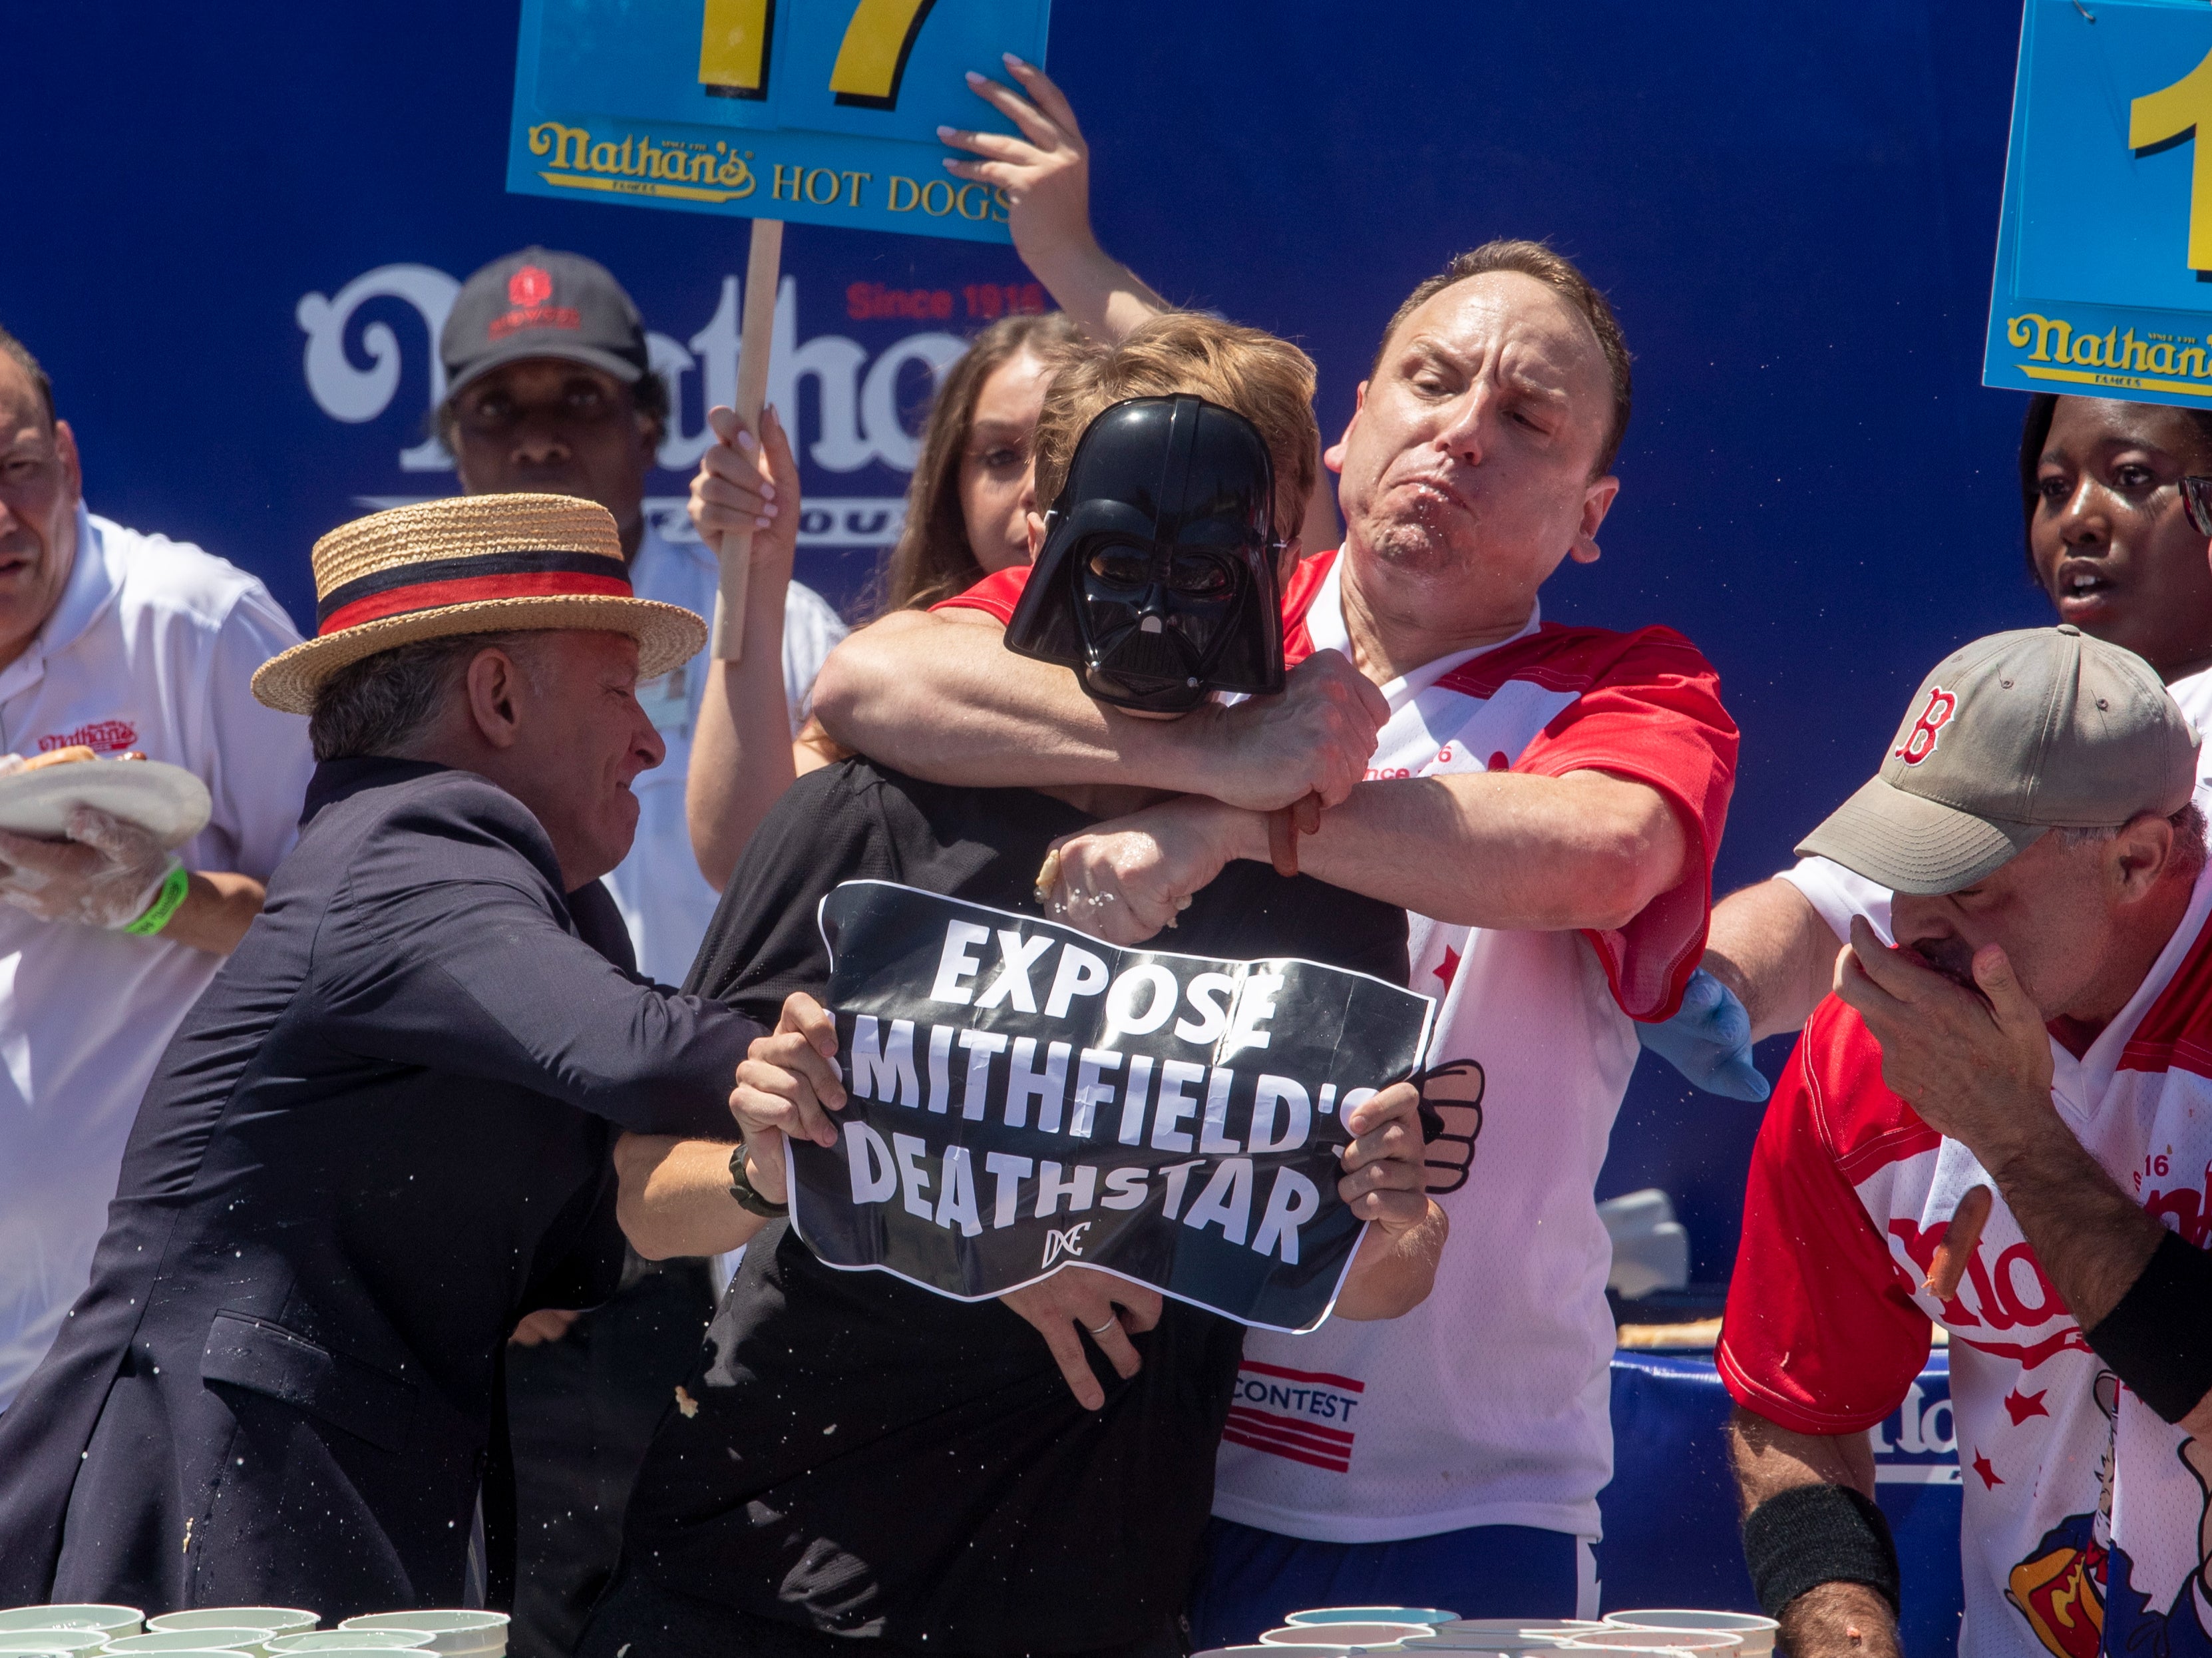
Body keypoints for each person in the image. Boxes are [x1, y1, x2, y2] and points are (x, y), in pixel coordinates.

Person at [809, 234, 1740, 1628]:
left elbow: (1604, 854)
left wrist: (1241, 825)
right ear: (1353, 423)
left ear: (1592, 513)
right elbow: (871, 678)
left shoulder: (1628, 685)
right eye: (1430, 383)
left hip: (1463, 1493)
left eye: (1526, 419)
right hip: (1136, 1444)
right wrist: (1226, 748)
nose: (1460, 433)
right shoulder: (1195, 604)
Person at [577, 317, 1449, 1658]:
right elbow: (647, 1194)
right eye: (1120, 550)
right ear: (1038, 536)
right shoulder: (871, 813)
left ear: (1280, 558)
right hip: (764, 1573)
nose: (1161, 597)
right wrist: (787, 1168)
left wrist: (1399, 1213)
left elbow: (1372, 1280)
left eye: (1208, 555)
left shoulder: (1313, 879)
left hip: (1089, 1593)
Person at [0, 494, 761, 1617]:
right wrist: (927, 1077)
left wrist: (772, 1171)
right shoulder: (409, 846)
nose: (651, 740)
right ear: (496, 696)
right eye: (620, 694)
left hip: (322, 1482)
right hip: (208, 1488)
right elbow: (650, 1054)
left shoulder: (518, 896)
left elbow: (608, 1216)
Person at [434, 247, 846, 1654]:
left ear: (656, 424)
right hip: (509, 1266)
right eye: (501, 408)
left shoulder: (771, 621)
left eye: (581, 401)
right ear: (446, 441)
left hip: (728, 1215)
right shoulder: (406, 652)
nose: (541, 433)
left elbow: (843, 912)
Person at [1718, 625, 2212, 1658]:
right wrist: (1844, 1633)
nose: (1916, 922)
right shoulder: (1866, 1051)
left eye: (1972, 878)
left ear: (2138, 858)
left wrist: (2012, 1132)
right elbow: (1798, 1410)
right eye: (1901, 867)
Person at [1693, 393, 2212, 1068]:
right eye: (2052, 489)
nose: (2078, 518)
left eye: (2133, 476)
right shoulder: (2015, 709)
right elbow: (1830, 913)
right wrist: (1711, 986)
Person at [0, 323, 313, 1414]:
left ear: (70, 460)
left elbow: (362, 935)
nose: (0, 519)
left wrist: (159, 898)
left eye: (18, 472)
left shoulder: (197, 623)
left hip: (160, 1352)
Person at [684, 308, 1081, 863]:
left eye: (1072, 451)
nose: (1037, 486)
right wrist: (754, 578)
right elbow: (746, 857)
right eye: (1001, 457)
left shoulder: (1213, 680)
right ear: (952, 491)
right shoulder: (886, 676)